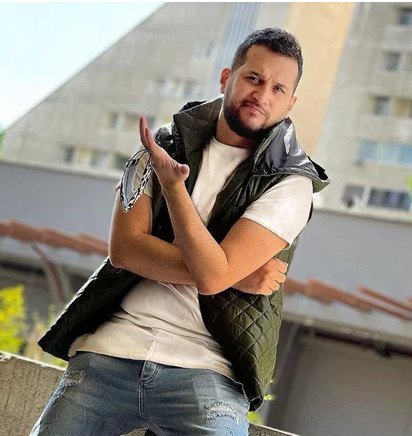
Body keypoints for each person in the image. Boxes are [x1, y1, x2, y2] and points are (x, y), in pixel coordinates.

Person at [31, 27, 328, 436]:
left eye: (278, 89)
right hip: (112, 349)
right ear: (226, 78)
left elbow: (212, 276)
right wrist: (234, 275)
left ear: (290, 103)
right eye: (254, 78)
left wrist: (175, 191)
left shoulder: (291, 182)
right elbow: (125, 250)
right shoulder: (159, 147)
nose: (263, 95)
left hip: (209, 371)